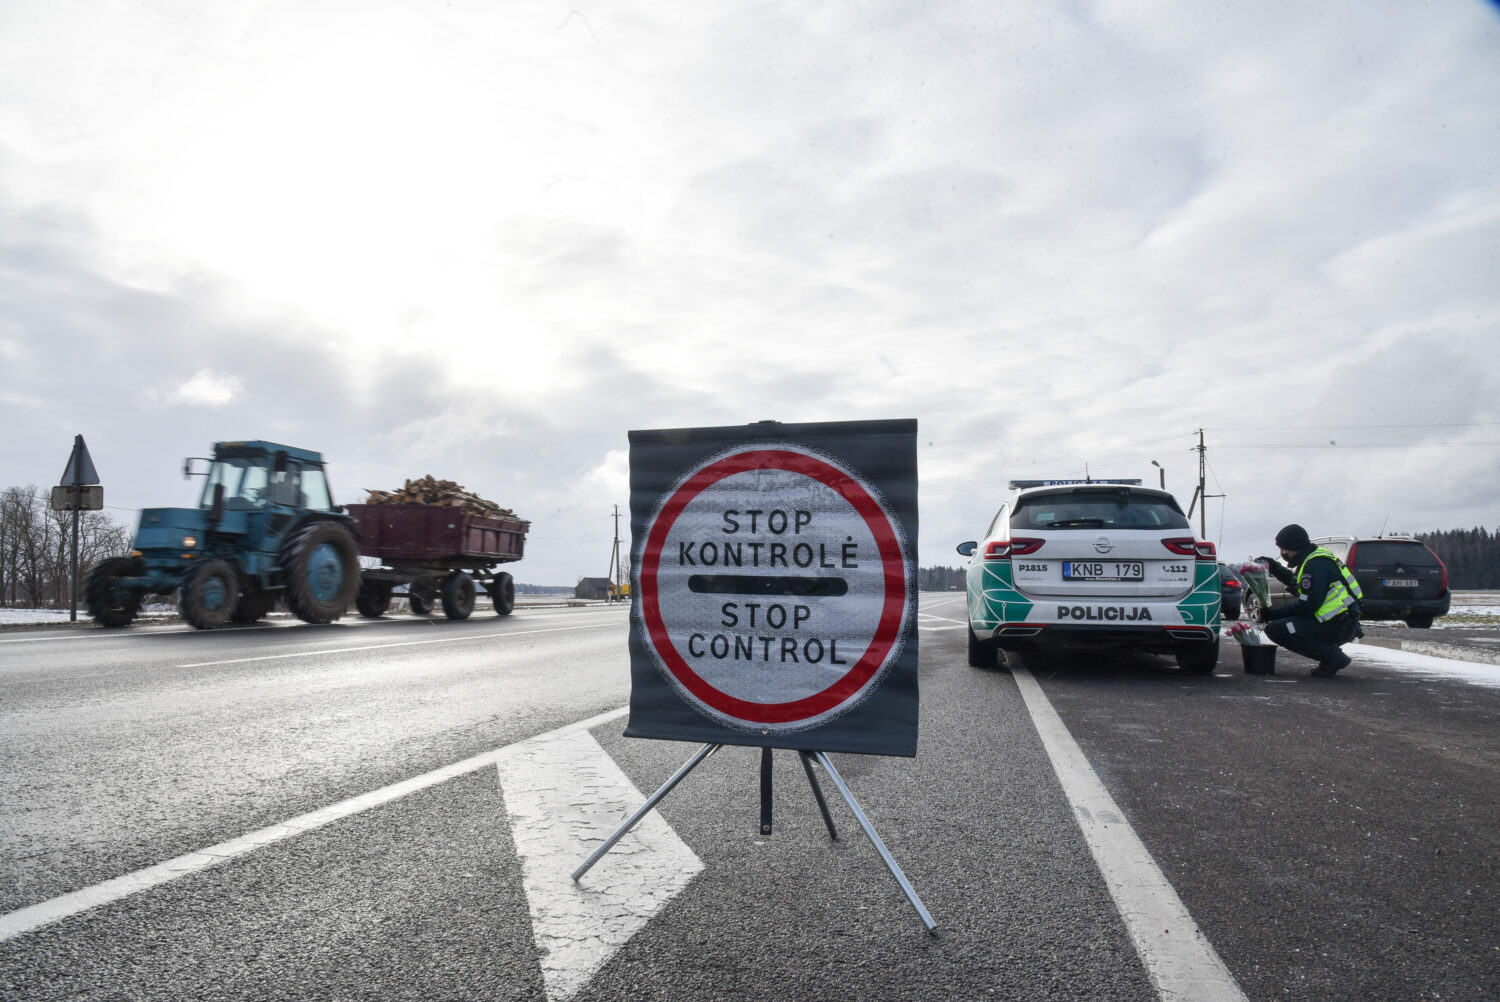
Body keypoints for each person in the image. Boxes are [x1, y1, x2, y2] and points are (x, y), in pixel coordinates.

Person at [1258, 524, 1363, 677]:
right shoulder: (1313, 559)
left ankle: (1333, 658)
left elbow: (1307, 607)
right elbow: (1296, 581)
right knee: (1282, 624)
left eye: (1284, 549)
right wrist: (1273, 566)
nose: (1282, 553)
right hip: (1339, 621)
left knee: (1276, 629)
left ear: (1294, 546)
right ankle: (1331, 657)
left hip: (1337, 625)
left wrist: (1272, 614)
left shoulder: (1317, 565)